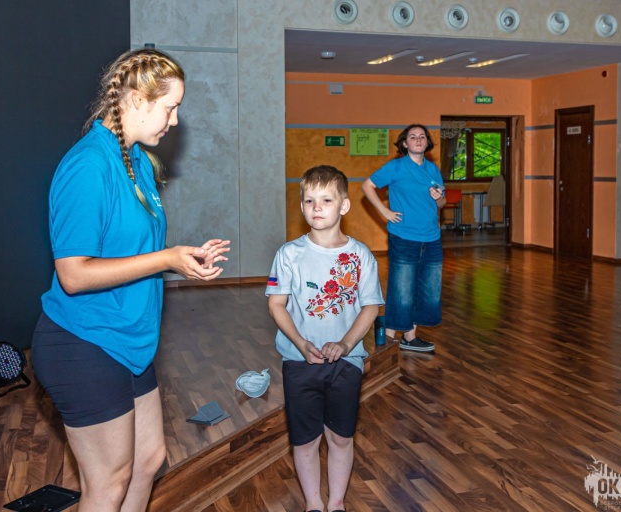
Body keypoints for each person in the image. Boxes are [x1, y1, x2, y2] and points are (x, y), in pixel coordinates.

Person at [31, 48, 231, 512]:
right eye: (170, 107)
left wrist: (180, 259)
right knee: (109, 480)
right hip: (84, 343)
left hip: (129, 342)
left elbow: (131, 251)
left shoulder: (138, 160)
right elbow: (73, 274)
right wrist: (166, 259)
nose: (175, 121)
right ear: (137, 99)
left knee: (148, 461)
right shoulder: (88, 165)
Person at [266, 165, 383, 512]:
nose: (316, 207)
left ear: (344, 206)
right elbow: (276, 305)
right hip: (299, 362)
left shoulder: (360, 256)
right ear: (302, 206)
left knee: (340, 438)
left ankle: (336, 503)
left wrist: (345, 344)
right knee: (305, 441)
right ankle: (314, 503)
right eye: (309, 200)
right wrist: (301, 344)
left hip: (347, 363)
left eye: (326, 200)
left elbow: (371, 307)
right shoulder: (288, 254)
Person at [362, 124, 445, 353]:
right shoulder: (396, 167)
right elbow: (367, 185)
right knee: (402, 288)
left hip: (432, 238)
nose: (418, 139)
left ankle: (410, 336)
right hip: (404, 237)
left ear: (427, 142)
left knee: (426, 289)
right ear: (405, 143)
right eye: (412, 137)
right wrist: (385, 211)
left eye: (422, 136)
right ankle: (388, 338)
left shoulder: (432, 170)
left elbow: (442, 203)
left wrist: (438, 198)